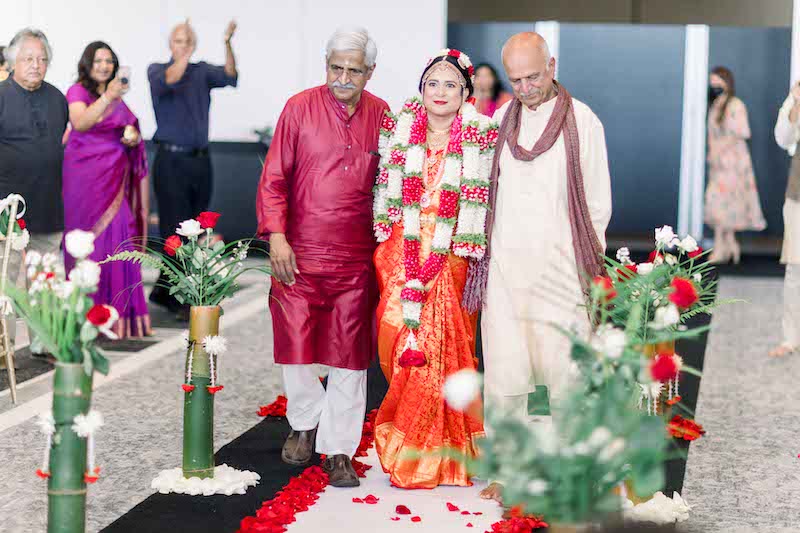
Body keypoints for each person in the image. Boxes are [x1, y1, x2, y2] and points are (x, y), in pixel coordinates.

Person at [478, 32, 612, 502]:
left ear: (552, 66)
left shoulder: (583, 121)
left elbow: (596, 205)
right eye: (515, 79)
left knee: (565, 377)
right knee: (504, 375)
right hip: (507, 271)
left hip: (560, 272)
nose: (525, 88)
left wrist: (586, 273)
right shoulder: (501, 120)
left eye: (533, 76)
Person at [256, 27, 388, 488]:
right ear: (326, 65)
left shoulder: (382, 115)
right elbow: (274, 177)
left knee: (351, 356)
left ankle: (339, 450)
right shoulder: (299, 108)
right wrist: (276, 235)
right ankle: (304, 421)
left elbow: (390, 187)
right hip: (300, 250)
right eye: (337, 67)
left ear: (370, 72)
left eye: (354, 70)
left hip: (356, 256)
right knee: (295, 347)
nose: (344, 77)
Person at [371, 48, 490, 489]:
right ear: (422, 89)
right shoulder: (400, 132)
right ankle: (410, 439)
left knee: (446, 347)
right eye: (433, 83)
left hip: (452, 254)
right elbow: (385, 194)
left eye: (451, 84)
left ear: (466, 93)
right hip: (403, 250)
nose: (441, 92)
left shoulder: (481, 138)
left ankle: (439, 453)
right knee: (401, 339)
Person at [147, 19, 238, 319]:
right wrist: (184, 53)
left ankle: (166, 291)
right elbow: (171, 78)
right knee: (174, 229)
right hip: (171, 161)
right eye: (178, 41)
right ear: (170, 45)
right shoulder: (158, 70)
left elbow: (230, 75)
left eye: (187, 41)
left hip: (200, 160)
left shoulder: (201, 72)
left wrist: (226, 43)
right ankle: (178, 297)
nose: (183, 45)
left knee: (196, 229)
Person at [63, 41, 152, 338]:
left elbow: (129, 127)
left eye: (109, 61)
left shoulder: (118, 99)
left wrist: (131, 136)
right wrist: (109, 96)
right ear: (87, 64)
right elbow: (81, 122)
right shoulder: (78, 92)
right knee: (83, 244)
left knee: (119, 239)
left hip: (113, 182)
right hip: (83, 180)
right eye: (98, 60)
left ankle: (119, 317)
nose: (104, 66)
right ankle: (81, 317)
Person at [0, 28, 68, 350]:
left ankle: (46, 342)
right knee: (5, 284)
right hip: (7, 208)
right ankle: (4, 348)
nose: (36, 65)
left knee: (47, 280)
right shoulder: (0, 96)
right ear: (13, 61)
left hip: (47, 202)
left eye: (42, 59)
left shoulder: (57, 99)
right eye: (28, 58)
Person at [704, 66, 766, 264]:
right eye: (712, 83)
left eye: (717, 83)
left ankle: (723, 247)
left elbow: (742, 132)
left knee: (725, 203)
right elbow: (712, 134)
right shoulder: (715, 106)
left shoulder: (735, 105)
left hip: (733, 163)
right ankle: (730, 245)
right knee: (718, 202)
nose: (714, 87)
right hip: (719, 163)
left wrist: (720, 149)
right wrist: (712, 152)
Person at [769, 81, 800, 357]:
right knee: (795, 268)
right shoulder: (794, 98)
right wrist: (796, 103)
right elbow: (783, 138)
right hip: (798, 194)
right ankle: (790, 337)